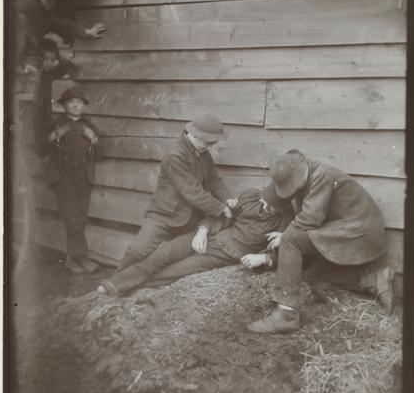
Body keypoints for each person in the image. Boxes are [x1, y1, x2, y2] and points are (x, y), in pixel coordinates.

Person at [247, 150, 394, 335]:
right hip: (344, 228)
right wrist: (268, 199)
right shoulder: (304, 173)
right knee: (311, 276)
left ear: (299, 172)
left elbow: (310, 219)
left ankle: (287, 314)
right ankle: (372, 279)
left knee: (291, 240)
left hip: (360, 230)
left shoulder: (321, 175)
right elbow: (283, 191)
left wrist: (284, 237)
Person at [97, 183, 295, 296]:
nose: (266, 208)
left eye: (273, 207)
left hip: (225, 253)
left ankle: (128, 291)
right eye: (265, 202)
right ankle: (113, 285)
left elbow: (284, 252)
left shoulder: (285, 221)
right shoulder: (251, 196)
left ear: (285, 206)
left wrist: (264, 258)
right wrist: (203, 229)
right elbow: (223, 214)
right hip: (211, 235)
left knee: (174, 271)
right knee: (164, 253)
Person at [116, 114, 238, 272]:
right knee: (138, 250)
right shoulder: (175, 156)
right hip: (164, 216)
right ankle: (114, 280)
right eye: (209, 142)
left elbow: (214, 181)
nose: (210, 147)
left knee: (179, 257)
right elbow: (192, 192)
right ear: (195, 135)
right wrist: (221, 209)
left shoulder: (202, 153)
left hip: (190, 218)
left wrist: (228, 199)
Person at [47, 86, 104, 273]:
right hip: (63, 178)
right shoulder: (57, 124)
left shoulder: (89, 126)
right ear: (64, 105)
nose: (75, 105)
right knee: (72, 218)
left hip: (83, 178)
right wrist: (55, 135)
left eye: (78, 102)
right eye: (71, 102)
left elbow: (100, 153)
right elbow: (43, 148)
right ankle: (82, 257)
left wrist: (93, 138)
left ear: (83, 106)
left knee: (80, 218)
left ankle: (72, 258)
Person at [14, 0, 106, 75]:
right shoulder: (24, 4)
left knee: (60, 65)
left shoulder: (43, 14)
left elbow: (64, 25)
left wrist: (87, 32)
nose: (52, 2)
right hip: (18, 58)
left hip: (31, 58)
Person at [34, 38, 74, 158]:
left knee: (51, 140)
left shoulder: (54, 73)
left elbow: (68, 65)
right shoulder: (37, 73)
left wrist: (59, 59)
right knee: (40, 140)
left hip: (49, 112)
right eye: (45, 59)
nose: (48, 63)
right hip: (38, 112)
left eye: (52, 60)